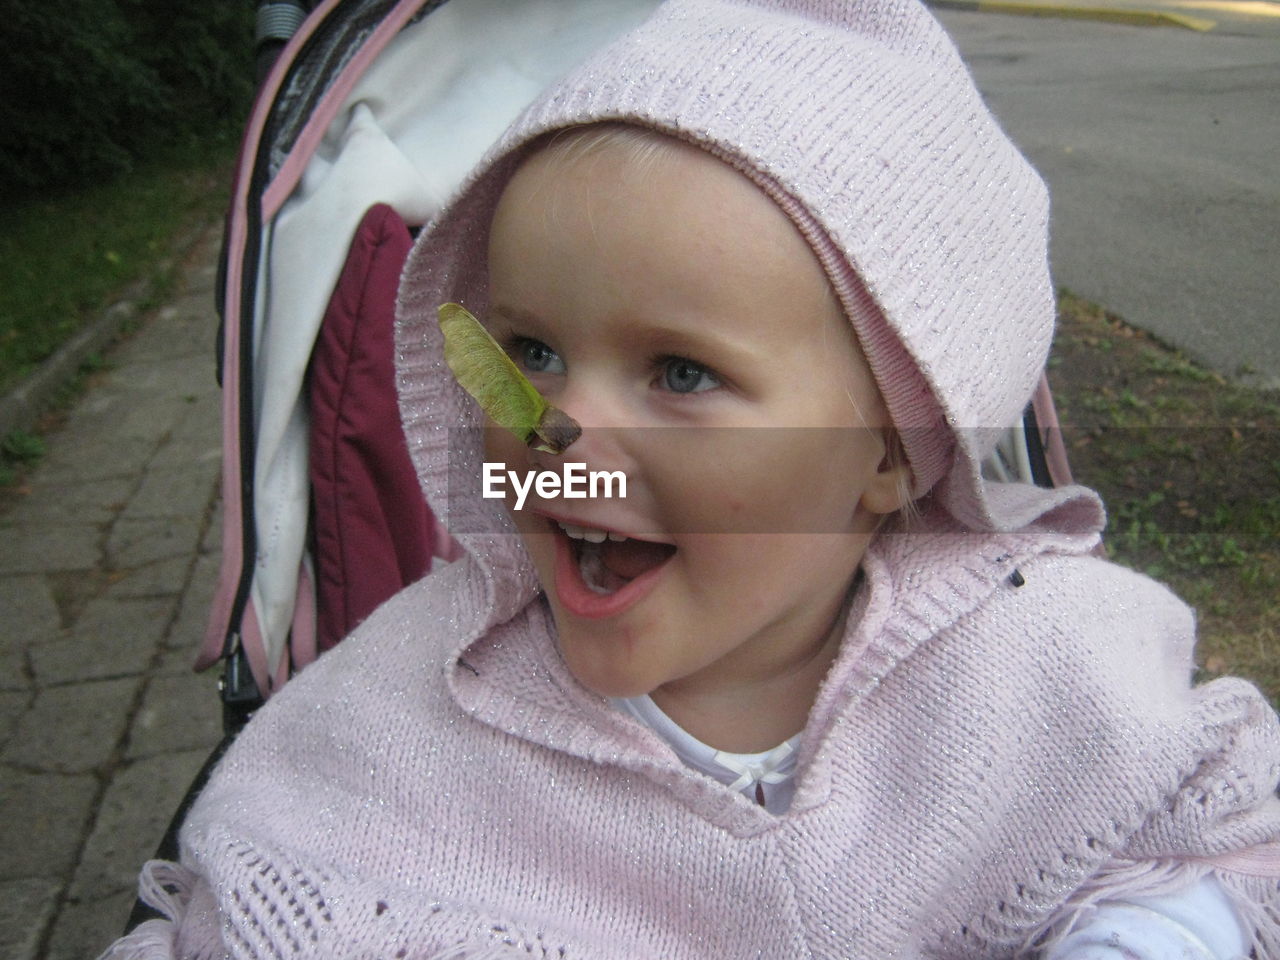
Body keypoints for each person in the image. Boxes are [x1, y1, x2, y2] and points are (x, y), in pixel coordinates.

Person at [102, 0, 1280, 957]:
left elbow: (1213, 843)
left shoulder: (1041, 663)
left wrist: (1148, 934)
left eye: (678, 371)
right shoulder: (397, 714)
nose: (553, 431)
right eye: (529, 353)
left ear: (883, 453)